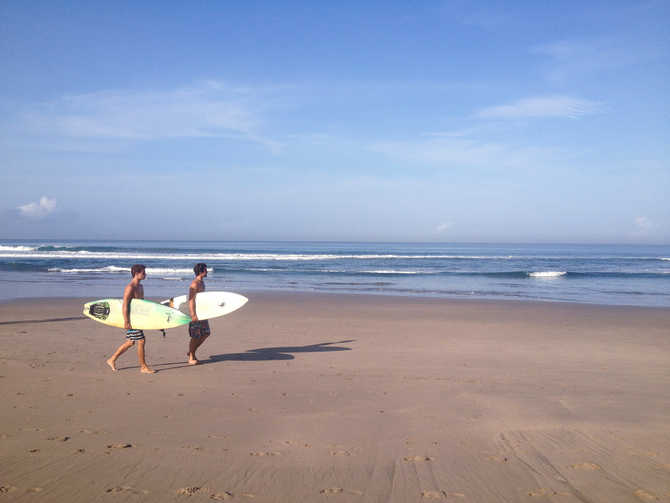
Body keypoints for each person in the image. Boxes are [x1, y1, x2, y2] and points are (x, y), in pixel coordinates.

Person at [106, 264, 155, 374]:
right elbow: (125, 305)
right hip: (132, 319)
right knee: (141, 341)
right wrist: (126, 321)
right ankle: (143, 367)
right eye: (143, 273)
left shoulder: (140, 286)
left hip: (138, 318)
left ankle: (112, 359)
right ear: (137, 274)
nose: (145, 274)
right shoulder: (130, 287)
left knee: (130, 342)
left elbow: (141, 304)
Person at [187, 262, 210, 365]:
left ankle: (191, 351)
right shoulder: (195, 284)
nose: (207, 271)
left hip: (202, 313)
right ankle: (191, 356)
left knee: (206, 333)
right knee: (195, 336)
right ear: (201, 271)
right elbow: (191, 300)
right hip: (195, 313)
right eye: (206, 269)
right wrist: (193, 315)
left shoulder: (202, 282)